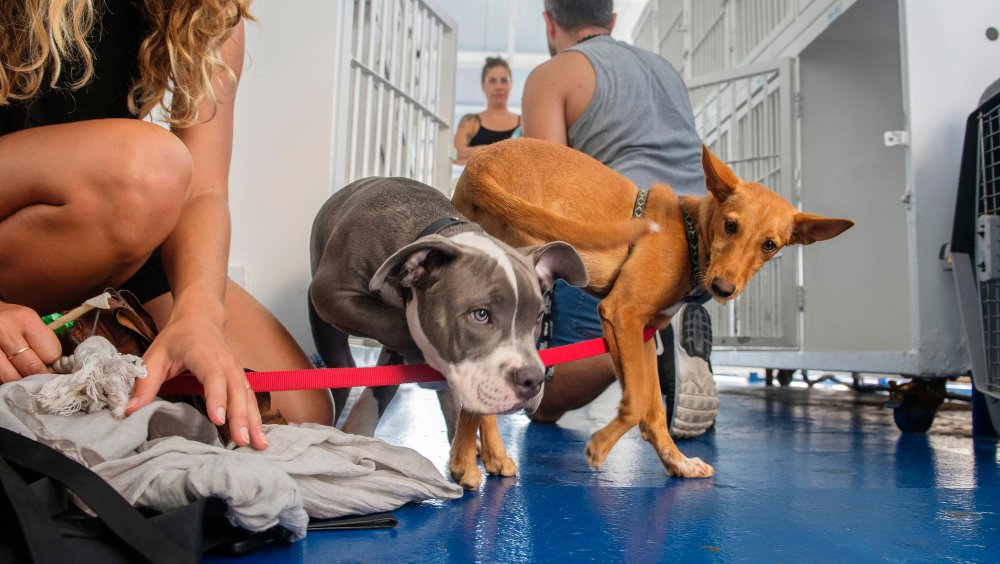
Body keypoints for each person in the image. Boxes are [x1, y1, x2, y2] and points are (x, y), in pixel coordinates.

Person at [0, 0, 334, 449]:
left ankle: (82, 318)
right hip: (31, 207)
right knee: (151, 168)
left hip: (106, 217)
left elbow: (203, 190)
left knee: (301, 409)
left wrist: (199, 315)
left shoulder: (209, 9)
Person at [520, 0, 718, 439]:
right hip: (701, 251)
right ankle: (677, 335)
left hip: (627, 248)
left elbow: (549, 194)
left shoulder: (552, 75)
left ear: (549, 24)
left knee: (540, 400)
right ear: (611, 21)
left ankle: (649, 338)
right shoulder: (664, 68)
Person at [453, 57, 521, 165]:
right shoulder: (470, 121)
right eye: (492, 81)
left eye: (504, 80)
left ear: (511, 84)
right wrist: (492, 150)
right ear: (483, 85)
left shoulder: (523, 122)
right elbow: (454, 154)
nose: (498, 87)